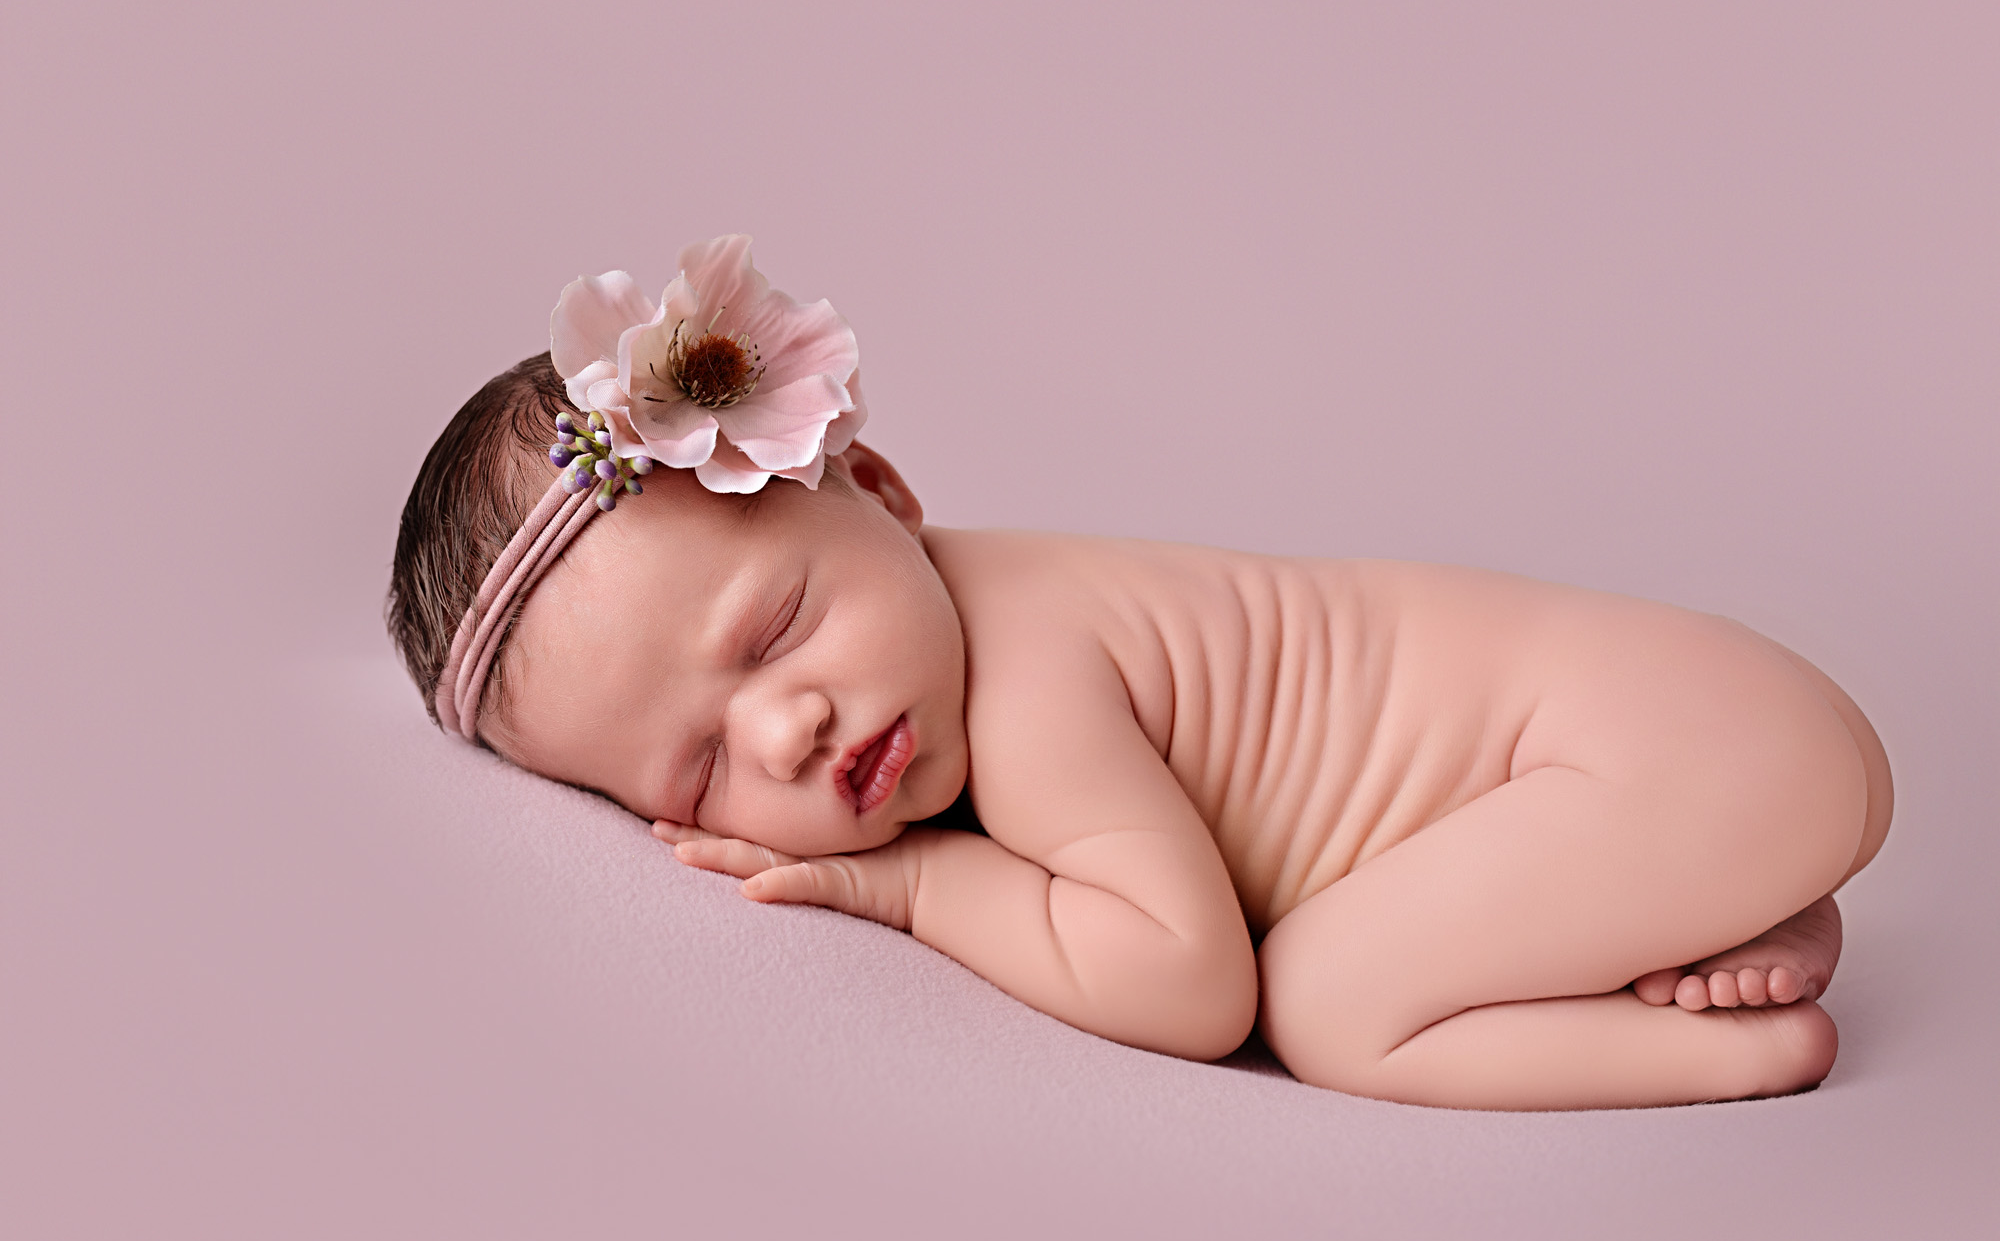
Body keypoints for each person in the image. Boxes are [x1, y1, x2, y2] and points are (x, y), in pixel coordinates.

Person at [387, 236, 1892, 1111]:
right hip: (1697, 728)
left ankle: (1747, 1048)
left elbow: (1187, 983)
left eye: (779, 628)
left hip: (1669, 749)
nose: (786, 730)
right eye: (702, 768)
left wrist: (912, 888)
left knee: (1327, 1005)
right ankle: (1714, 905)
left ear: (887, 492)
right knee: (1393, 930)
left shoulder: (1032, 678)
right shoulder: (953, 618)